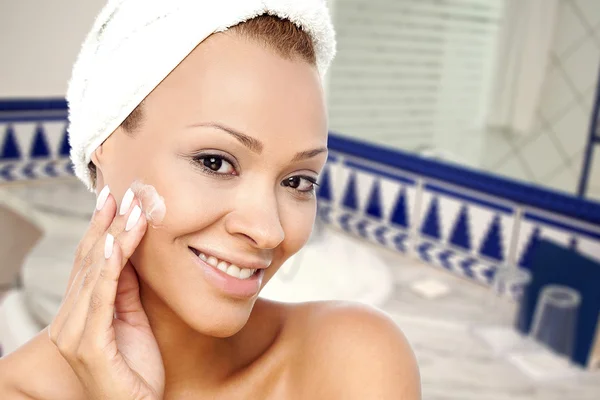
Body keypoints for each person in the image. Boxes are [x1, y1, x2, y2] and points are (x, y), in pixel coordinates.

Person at [0, 1, 421, 398]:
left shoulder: (352, 362)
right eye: (216, 162)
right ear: (102, 146)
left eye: (297, 181)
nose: (268, 230)